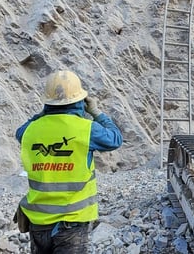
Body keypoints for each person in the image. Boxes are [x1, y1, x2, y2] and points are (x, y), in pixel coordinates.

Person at [15, 70, 123, 254]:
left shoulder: (30, 130)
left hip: (38, 222)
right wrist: (96, 111)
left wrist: (43, 113)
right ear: (80, 100)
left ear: (47, 102)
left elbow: (20, 132)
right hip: (70, 224)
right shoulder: (86, 129)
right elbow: (115, 139)